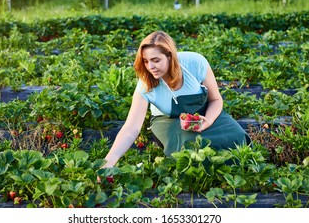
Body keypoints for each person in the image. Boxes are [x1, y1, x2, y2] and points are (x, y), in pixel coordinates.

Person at [102, 31, 250, 168]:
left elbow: (215, 100)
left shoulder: (195, 63)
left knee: (237, 137)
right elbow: (131, 128)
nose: (150, 67)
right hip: (168, 120)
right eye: (146, 61)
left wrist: (208, 121)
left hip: (204, 113)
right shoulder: (145, 83)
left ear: (170, 56)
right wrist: (109, 161)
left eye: (156, 60)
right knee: (189, 149)